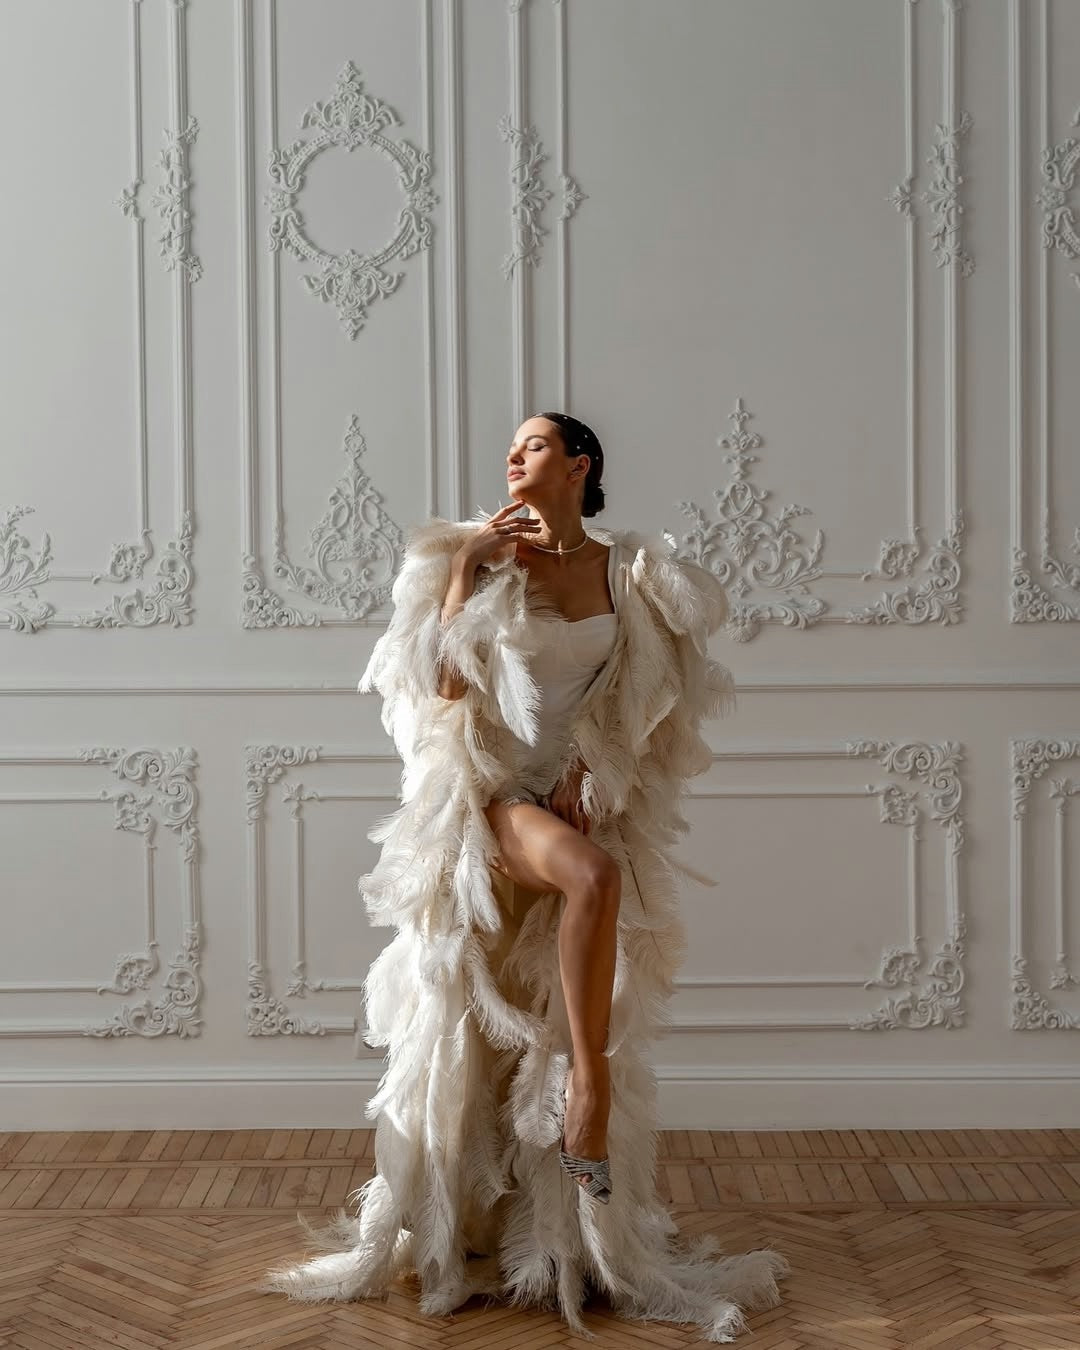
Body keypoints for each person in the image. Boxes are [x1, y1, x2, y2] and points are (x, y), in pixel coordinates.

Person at [258, 414, 790, 1342]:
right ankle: (588, 1090)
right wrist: (466, 570)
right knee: (588, 882)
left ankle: (554, 1228)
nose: (515, 456)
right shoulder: (477, 558)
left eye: (536, 445)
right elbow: (442, 686)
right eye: (512, 446)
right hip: (491, 798)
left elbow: (656, 695)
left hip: (578, 798)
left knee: (546, 969)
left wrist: (598, 762)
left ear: (579, 465)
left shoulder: (628, 572)